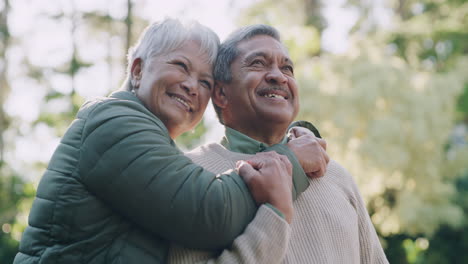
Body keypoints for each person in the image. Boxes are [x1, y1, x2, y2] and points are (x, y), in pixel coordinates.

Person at [13, 19, 324, 264]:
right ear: (137, 69)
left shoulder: (154, 144)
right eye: (180, 66)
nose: (192, 86)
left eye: (205, 81)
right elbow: (208, 211)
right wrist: (290, 161)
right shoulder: (112, 123)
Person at [167, 25, 389, 263]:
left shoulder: (336, 176)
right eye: (258, 63)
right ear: (221, 94)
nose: (279, 76)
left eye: (287, 68)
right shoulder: (189, 174)